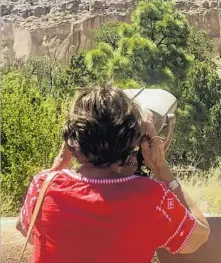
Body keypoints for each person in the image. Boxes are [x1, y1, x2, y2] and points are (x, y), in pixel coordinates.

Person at [15, 86, 210, 263]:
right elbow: (199, 236)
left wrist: (60, 162)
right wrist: (163, 171)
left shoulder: (43, 184)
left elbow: (29, 232)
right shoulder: (151, 197)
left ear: (73, 138)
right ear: (132, 139)